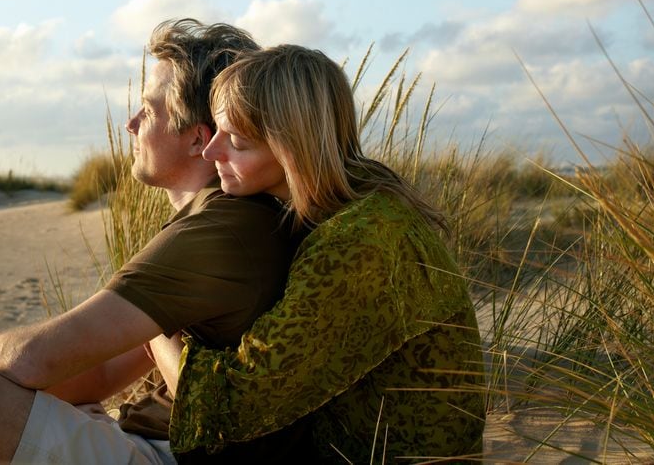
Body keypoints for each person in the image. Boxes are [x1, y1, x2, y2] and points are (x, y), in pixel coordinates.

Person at [0, 19, 309, 464]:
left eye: (148, 109)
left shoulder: (220, 231)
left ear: (196, 138)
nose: (131, 125)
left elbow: (35, 359)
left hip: (165, 454)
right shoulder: (219, 221)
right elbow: (98, 373)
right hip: (144, 439)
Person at [157, 44, 486, 463]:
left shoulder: (359, 244)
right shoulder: (361, 202)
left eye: (237, 141)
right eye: (217, 131)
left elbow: (233, 405)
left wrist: (156, 322)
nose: (211, 151)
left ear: (292, 147)